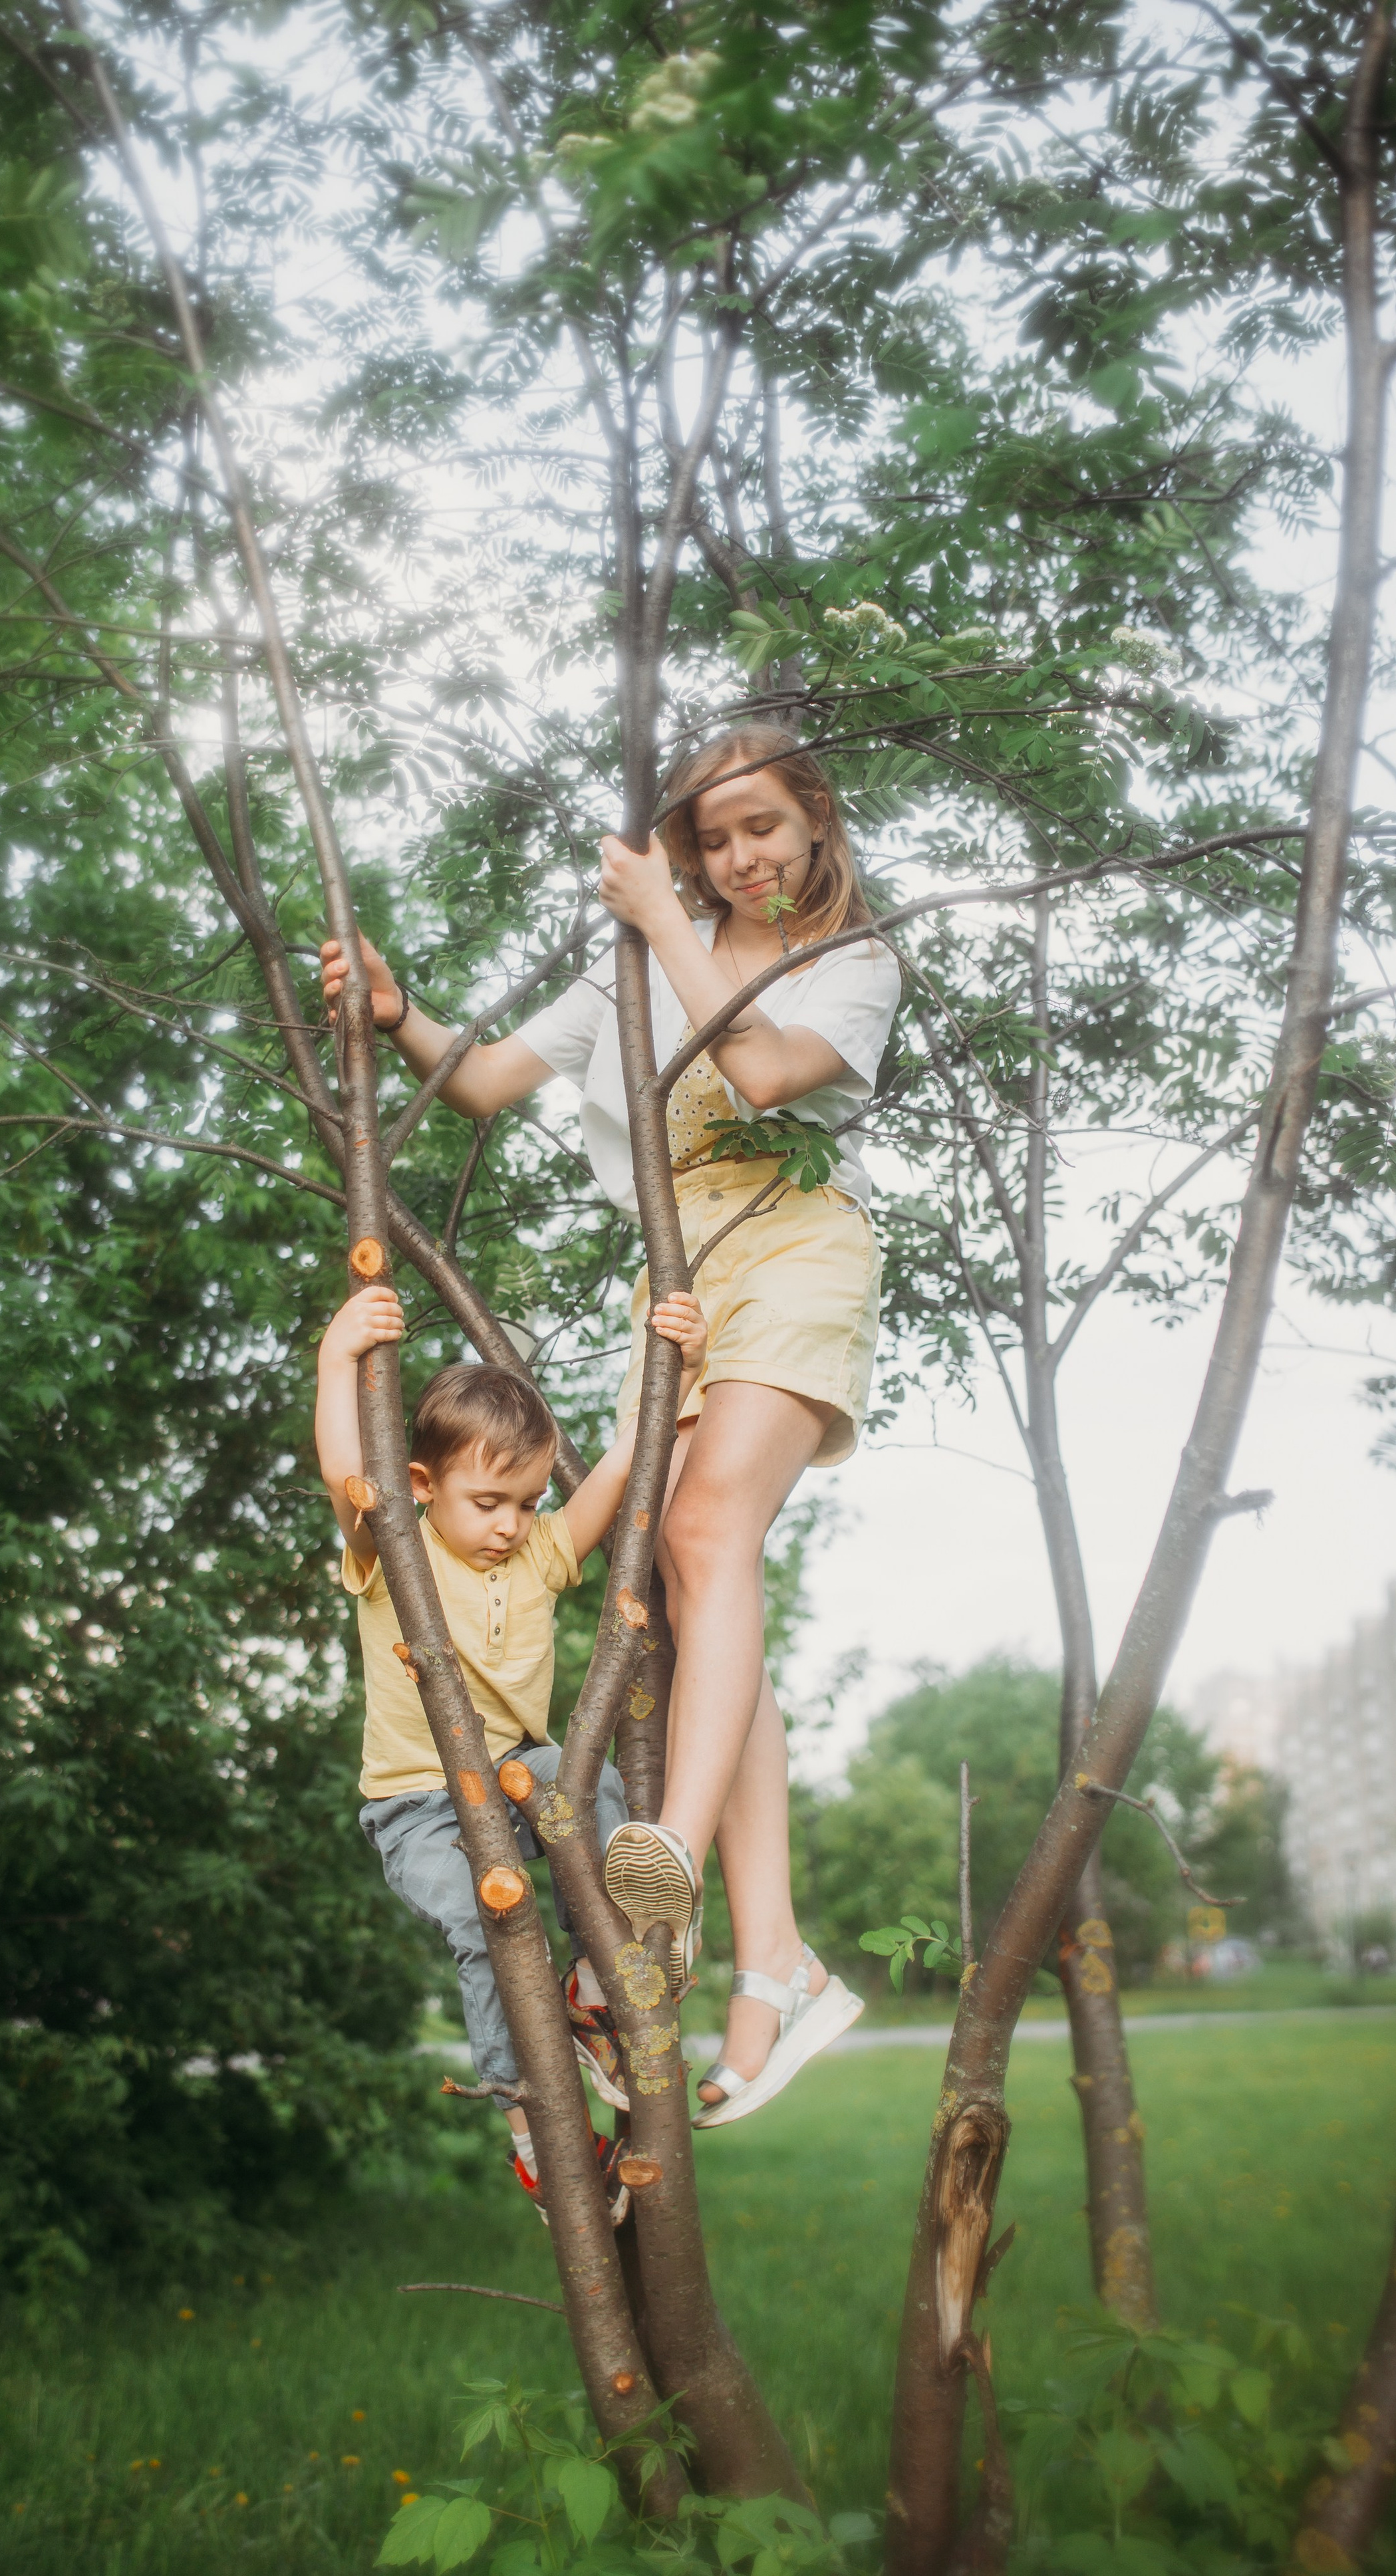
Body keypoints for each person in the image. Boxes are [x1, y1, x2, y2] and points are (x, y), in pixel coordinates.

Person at [321, 725, 900, 2126]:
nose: (739, 858)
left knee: (705, 1532)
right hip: (681, 1277)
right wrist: (399, 1012)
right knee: (697, 1597)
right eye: (710, 840)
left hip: (794, 1252)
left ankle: (661, 1873)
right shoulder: (642, 953)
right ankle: (775, 1961)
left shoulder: (854, 962)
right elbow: (484, 1080)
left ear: (813, 817)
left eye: (762, 825)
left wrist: (656, 916)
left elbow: (763, 1072)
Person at [315, 1277, 706, 2214]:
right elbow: (343, 1472)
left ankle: (593, 1973)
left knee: (593, 1780)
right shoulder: (394, 1549)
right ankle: (531, 2122)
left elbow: (626, 1471)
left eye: (527, 1502)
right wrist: (339, 1357)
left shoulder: (535, 1551)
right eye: (489, 1501)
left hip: (516, 1776)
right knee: (489, 1924)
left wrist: (681, 1376)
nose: (510, 1524)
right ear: (422, 1486)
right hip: (417, 1809)